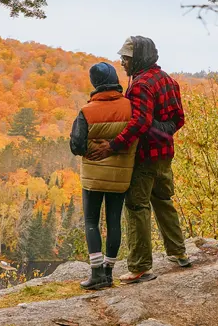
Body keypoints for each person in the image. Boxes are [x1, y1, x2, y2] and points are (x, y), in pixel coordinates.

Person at [86, 36, 190, 285]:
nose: (122, 63)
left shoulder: (141, 85)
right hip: (165, 156)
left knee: (136, 207)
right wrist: (162, 133)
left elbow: (140, 123)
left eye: (126, 58)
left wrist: (112, 146)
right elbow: (178, 119)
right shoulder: (168, 80)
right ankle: (179, 254)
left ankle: (140, 268)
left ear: (139, 58)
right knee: (163, 201)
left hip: (144, 158)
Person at [69, 62, 136, 290]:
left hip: (93, 174)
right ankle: (109, 273)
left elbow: (76, 146)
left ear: (95, 83)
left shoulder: (86, 111)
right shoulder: (130, 107)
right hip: (121, 173)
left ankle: (96, 273)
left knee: (91, 221)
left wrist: (89, 147)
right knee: (114, 221)